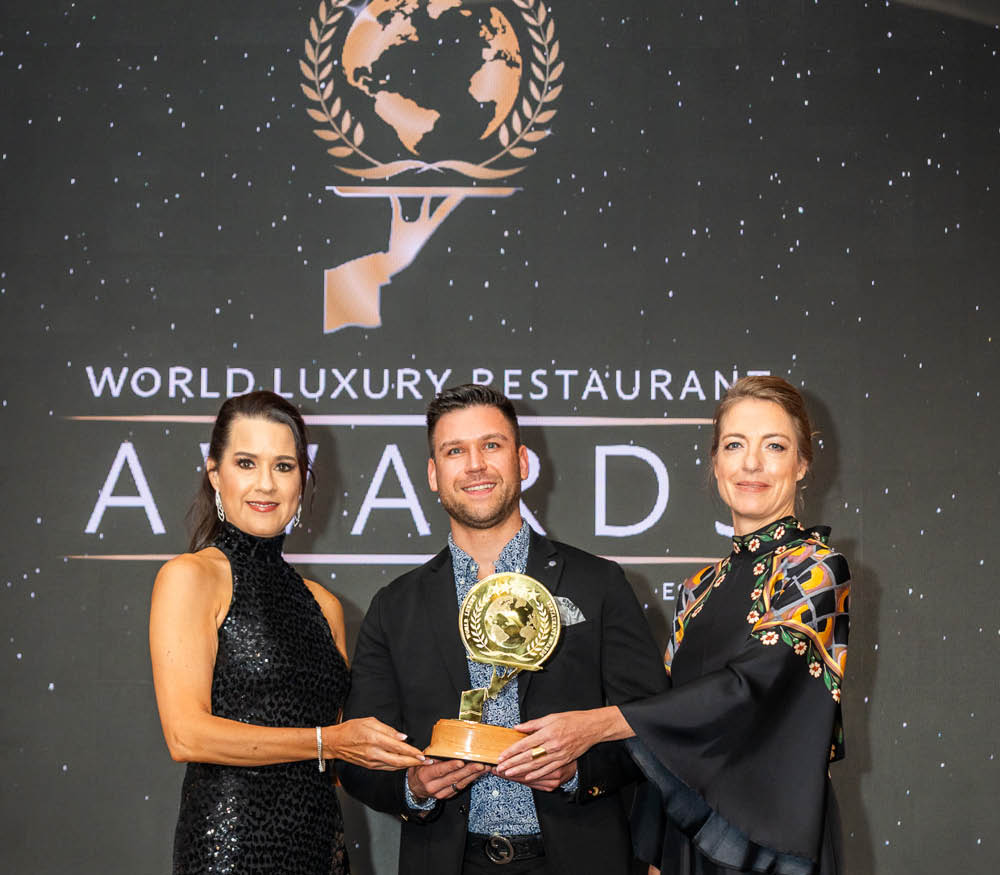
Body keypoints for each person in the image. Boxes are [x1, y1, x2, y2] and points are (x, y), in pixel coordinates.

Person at [497, 376, 851, 875]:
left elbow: (750, 689)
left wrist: (599, 723)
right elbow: (665, 729)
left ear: (802, 463)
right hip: (689, 839)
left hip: (774, 845)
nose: (751, 463)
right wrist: (655, 853)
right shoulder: (698, 588)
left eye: (774, 446)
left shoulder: (815, 569)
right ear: (716, 462)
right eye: (735, 445)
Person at [338, 384, 669, 874]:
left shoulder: (598, 583)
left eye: (491, 445)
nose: (475, 465)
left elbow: (652, 725)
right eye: (455, 451)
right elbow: (357, 759)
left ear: (522, 461)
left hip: (577, 858)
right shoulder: (395, 606)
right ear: (433, 473)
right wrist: (413, 787)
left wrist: (577, 771)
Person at [149, 390, 425, 874]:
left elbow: (343, 752)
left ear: (302, 480)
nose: (266, 484)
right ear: (215, 474)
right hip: (230, 850)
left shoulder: (324, 605)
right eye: (246, 463)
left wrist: (423, 767)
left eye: (283, 466)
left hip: (320, 849)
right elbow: (186, 735)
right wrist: (325, 742)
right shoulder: (191, 577)